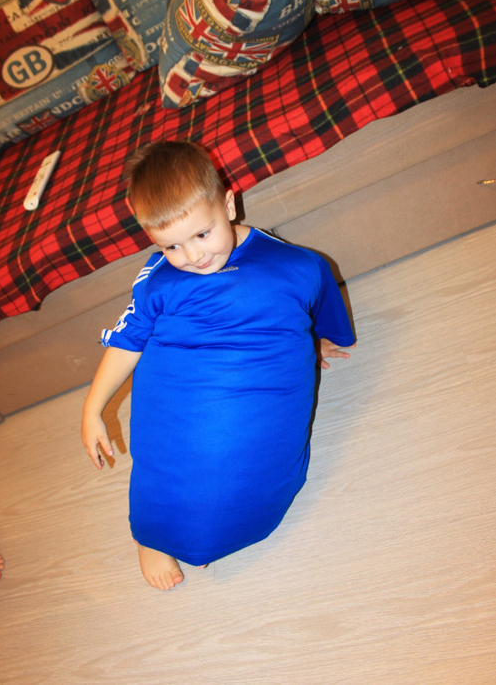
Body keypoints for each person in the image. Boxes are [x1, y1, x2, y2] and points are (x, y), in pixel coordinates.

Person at [81, 141, 355, 591]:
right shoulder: (158, 280)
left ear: (228, 205)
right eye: (171, 246)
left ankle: (195, 527)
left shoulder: (291, 263)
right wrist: (93, 408)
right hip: (182, 388)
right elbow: (127, 341)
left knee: (243, 473)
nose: (193, 257)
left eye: (202, 235)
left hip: (253, 394)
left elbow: (315, 294)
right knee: (165, 463)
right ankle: (151, 537)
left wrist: (313, 340)